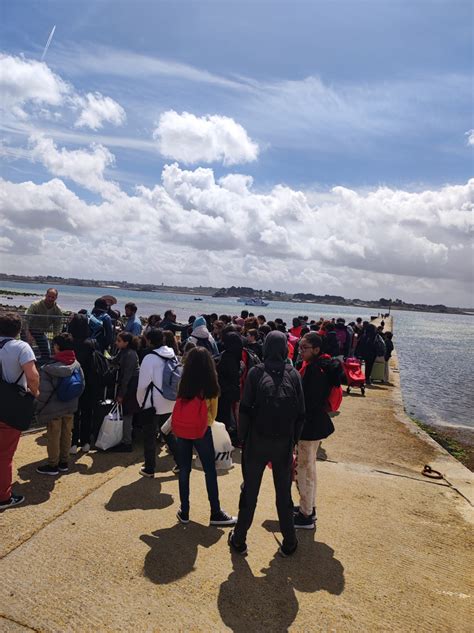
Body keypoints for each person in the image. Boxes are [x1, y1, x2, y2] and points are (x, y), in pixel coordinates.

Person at [228, 331, 305, 557]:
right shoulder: (294, 375)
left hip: (257, 442)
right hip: (283, 443)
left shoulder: (255, 373)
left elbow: (244, 409)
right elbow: (301, 414)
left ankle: (240, 539)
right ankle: (289, 541)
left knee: (250, 491)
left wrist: (243, 438)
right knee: (283, 494)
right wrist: (293, 441)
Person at [174, 347, 237, 526]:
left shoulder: (184, 382)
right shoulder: (210, 384)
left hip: (183, 429)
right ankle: (215, 512)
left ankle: (184, 510)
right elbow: (213, 413)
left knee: (184, 469)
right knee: (210, 470)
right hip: (202, 429)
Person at [294, 333, 341, 529]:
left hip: (309, 426)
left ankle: (306, 515)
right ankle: (308, 506)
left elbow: (308, 401)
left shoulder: (315, 371)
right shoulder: (320, 366)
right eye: (300, 347)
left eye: (304, 348)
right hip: (315, 425)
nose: (301, 351)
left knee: (303, 470)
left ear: (316, 349)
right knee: (309, 468)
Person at [0, 313, 40, 509]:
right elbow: (32, 376)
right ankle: (3, 497)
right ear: (18, 330)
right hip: (10, 406)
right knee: (4, 455)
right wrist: (36, 393)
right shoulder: (21, 347)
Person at [35, 333, 85, 476]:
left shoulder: (48, 369)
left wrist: (38, 408)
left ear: (57, 347)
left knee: (53, 436)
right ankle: (64, 462)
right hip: (70, 406)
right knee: (66, 434)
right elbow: (82, 386)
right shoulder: (76, 365)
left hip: (53, 408)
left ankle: (52, 465)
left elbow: (44, 393)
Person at [136, 328, 179, 477]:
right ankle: (180, 462)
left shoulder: (149, 358)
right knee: (167, 432)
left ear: (148, 340)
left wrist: (140, 401)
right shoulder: (172, 355)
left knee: (149, 435)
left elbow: (142, 385)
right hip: (170, 399)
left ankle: (149, 468)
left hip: (153, 402)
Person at [68, 313, 96, 454]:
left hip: (72, 381)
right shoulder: (90, 343)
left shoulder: (69, 342)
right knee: (87, 412)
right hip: (89, 382)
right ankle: (85, 442)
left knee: (73, 413)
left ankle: (73, 442)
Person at [109, 331, 140, 451]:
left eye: (119, 341)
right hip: (128, 385)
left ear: (126, 343)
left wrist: (121, 394)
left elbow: (127, 377)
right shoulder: (123, 351)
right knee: (126, 412)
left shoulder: (130, 355)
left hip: (131, 387)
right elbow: (114, 360)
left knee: (127, 413)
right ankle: (126, 437)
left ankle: (127, 442)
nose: (116, 343)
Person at [25, 288, 63, 364]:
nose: (50, 299)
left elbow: (58, 325)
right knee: (25, 351)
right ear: (45, 295)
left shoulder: (58, 310)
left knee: (46, 354)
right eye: (49, 296)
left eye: (53, 297)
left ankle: (39, 366)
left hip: (40, 332)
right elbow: (26, 320)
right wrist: (28, 333)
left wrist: (56, 339)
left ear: (56, 298)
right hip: (28, 329)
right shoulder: (35, 305)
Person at [216, 332, 243, 439]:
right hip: (231, 391)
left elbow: (232, 375)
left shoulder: (227, 356)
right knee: (229, 415)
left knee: (224, 416)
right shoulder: (236, 354)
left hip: (224, 391)